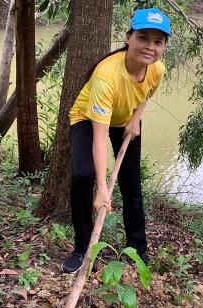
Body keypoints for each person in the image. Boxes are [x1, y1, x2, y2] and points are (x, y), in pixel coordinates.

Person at [62, 8, 171, 273]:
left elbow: (145, 93)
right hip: (88, 119)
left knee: (132, 185)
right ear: (128, 37)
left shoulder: (157, 69)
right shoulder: (106, 75)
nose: (150, 47)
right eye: (144, 38)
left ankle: (138, 249)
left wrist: (136, 118)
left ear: (164, 46)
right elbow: (99, 135)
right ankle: (82, 248)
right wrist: (102, 188)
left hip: (125, 118)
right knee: (83, 177)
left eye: (158, 42)